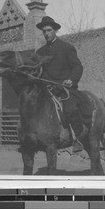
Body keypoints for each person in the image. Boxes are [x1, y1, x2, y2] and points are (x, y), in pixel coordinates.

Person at [36, 16, 88, 152]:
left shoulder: (67, 48)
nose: (46, 33)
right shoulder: (39, 53)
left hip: (65, 89)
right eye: (44, 31)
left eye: (49, 30)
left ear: (55, 31)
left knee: (70, 109)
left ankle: (79, 138)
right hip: (47, 90)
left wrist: (71, 79)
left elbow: (78, 67)